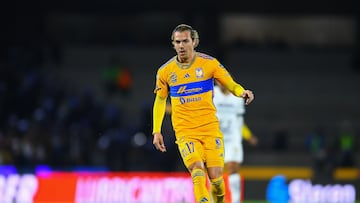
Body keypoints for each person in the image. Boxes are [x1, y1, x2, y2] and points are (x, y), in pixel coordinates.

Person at [152, 24, 254, 203]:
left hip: (210, 129)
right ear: (173, 44)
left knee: (216, 180)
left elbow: (230, 84)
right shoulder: (165, 71)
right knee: (197, 171)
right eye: (177, 42)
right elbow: (160, 101)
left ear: (194, 42)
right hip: (185, 132)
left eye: (185, 41)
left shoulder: (209, 64)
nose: (181, 46)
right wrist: (156, 130)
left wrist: (241, 92)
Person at [213, 82, 258, 203]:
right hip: (215, 138)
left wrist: (248, 136)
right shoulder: (212, 93)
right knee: (214, 171)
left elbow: (239, 121)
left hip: (233, 139)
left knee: (233, 168)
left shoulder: (237, 97)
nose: (222, 83)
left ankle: (236, 200)